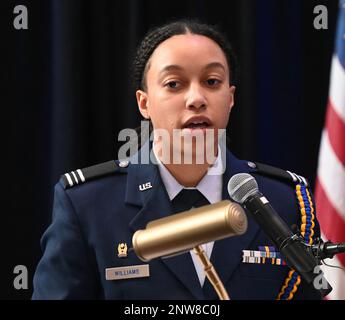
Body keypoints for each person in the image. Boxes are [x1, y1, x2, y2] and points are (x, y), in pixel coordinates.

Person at [32, 19, 323, 300]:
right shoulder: (88, 204)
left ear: (230, 98)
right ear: (144, 103)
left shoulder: (283, 200)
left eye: (211, 81)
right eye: (174, 84)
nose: (196, 98)